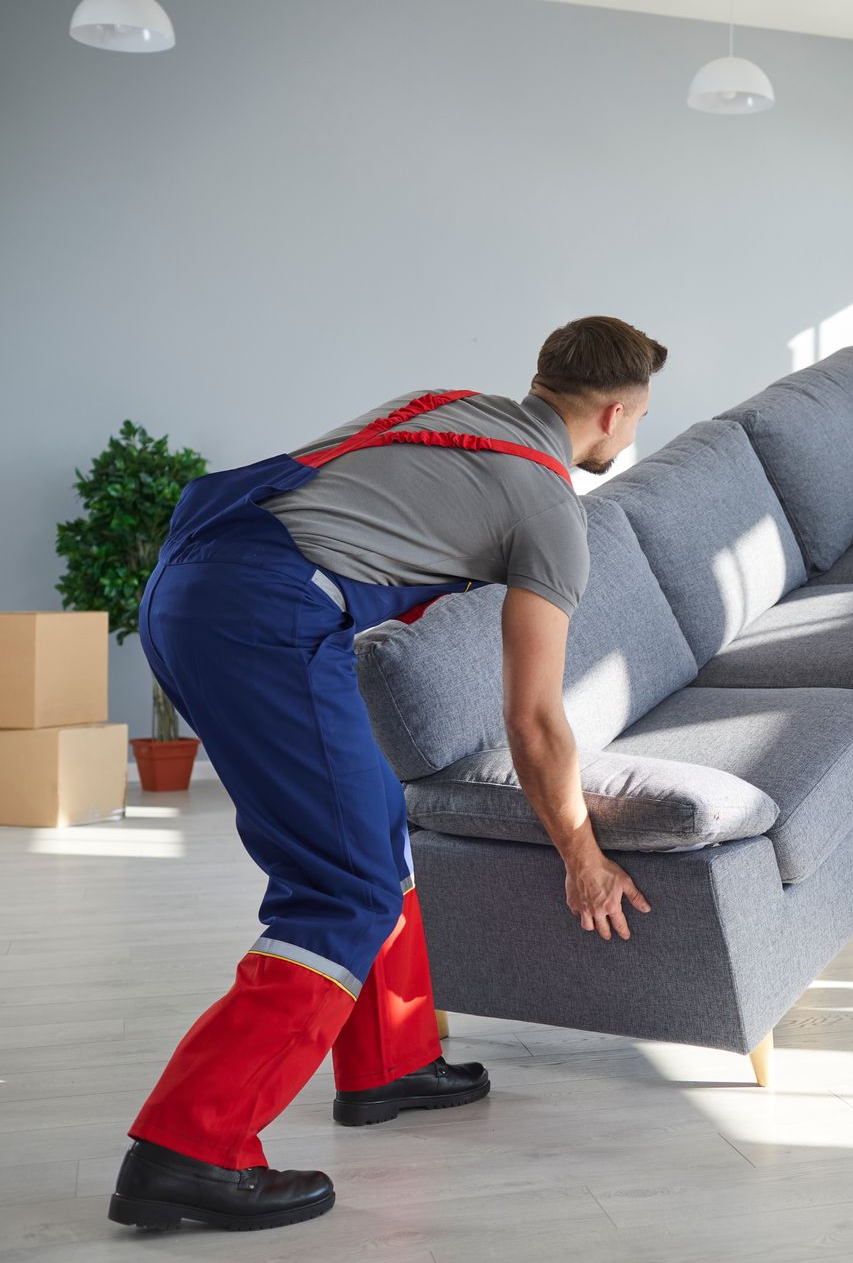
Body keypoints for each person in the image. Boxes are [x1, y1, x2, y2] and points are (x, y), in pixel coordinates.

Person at [107, 317, 665, 1232]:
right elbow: (533, 719)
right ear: (613, 412)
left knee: (374, 834)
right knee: (343, 887)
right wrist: (581, 853)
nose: (635, 433)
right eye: (640, 418)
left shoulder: (442, 407)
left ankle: (389, 1066)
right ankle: (189, 1147)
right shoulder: (549, 508)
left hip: (192, 587)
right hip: (266, 616)